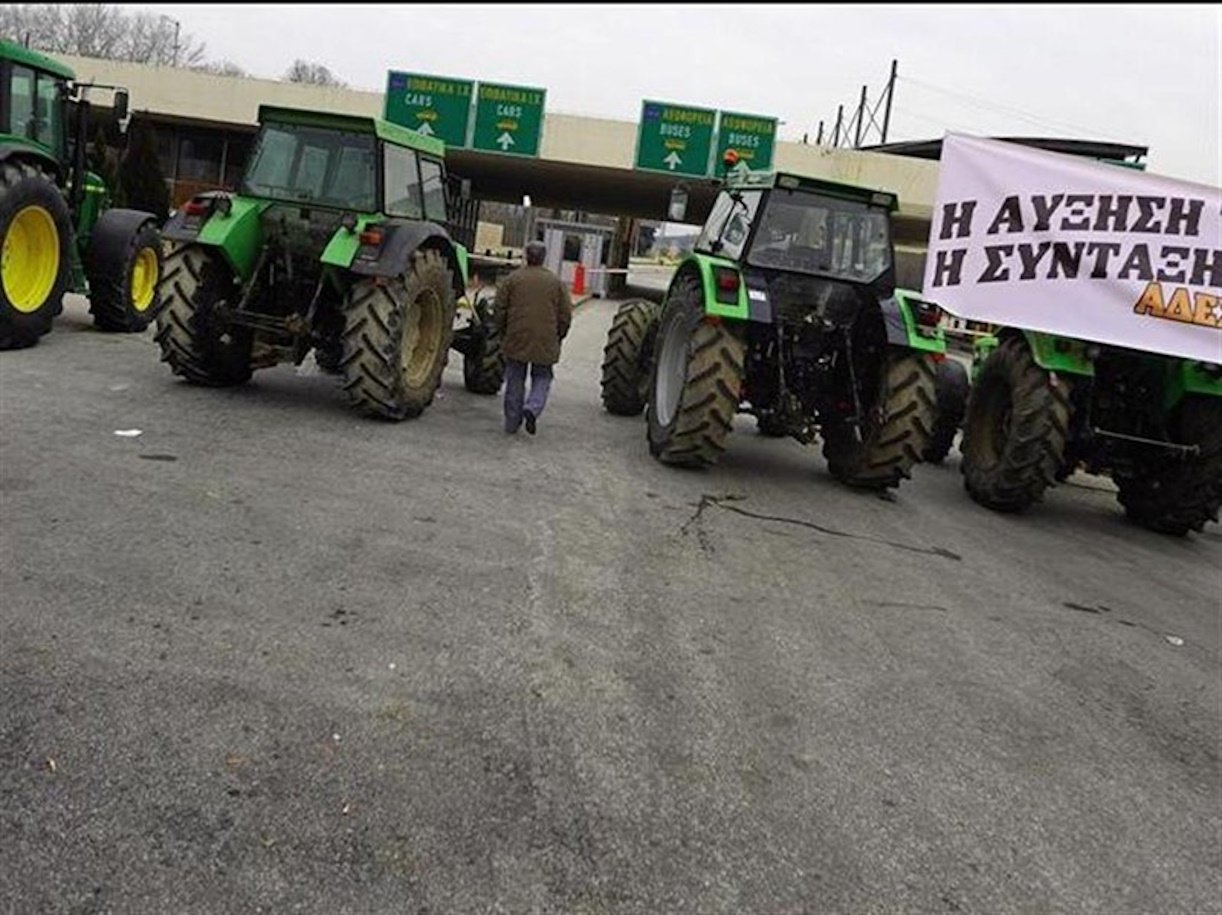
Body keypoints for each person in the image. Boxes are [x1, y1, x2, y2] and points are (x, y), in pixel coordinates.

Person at [493, 241, 574, 435]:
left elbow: (499, 308)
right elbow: (565, 314)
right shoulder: (556, 283)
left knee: (515, 378)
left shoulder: (512, 279)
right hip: (546, 338)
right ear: (544, 257)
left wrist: (503, 331)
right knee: (543, 376)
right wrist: (559, 335)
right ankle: (533, 407)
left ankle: (512, 423)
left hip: (516, 335)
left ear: (526, 256)